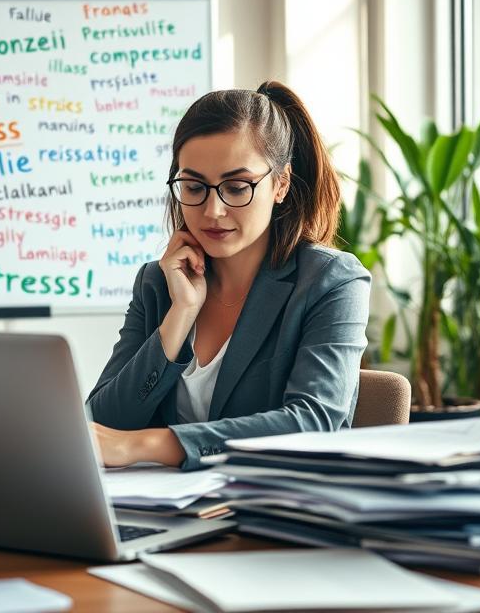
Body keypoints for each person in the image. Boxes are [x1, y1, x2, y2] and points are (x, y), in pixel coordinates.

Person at [87, 81, 371, 471]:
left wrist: (153, 444)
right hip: (166, 515)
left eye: (237, 187)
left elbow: (313, 423)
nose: (213, 210)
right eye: (193, 186)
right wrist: (180, 315)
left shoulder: (331, 281)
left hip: (272, 512)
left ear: (281, 184)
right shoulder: (158, 284)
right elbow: (102, 427)